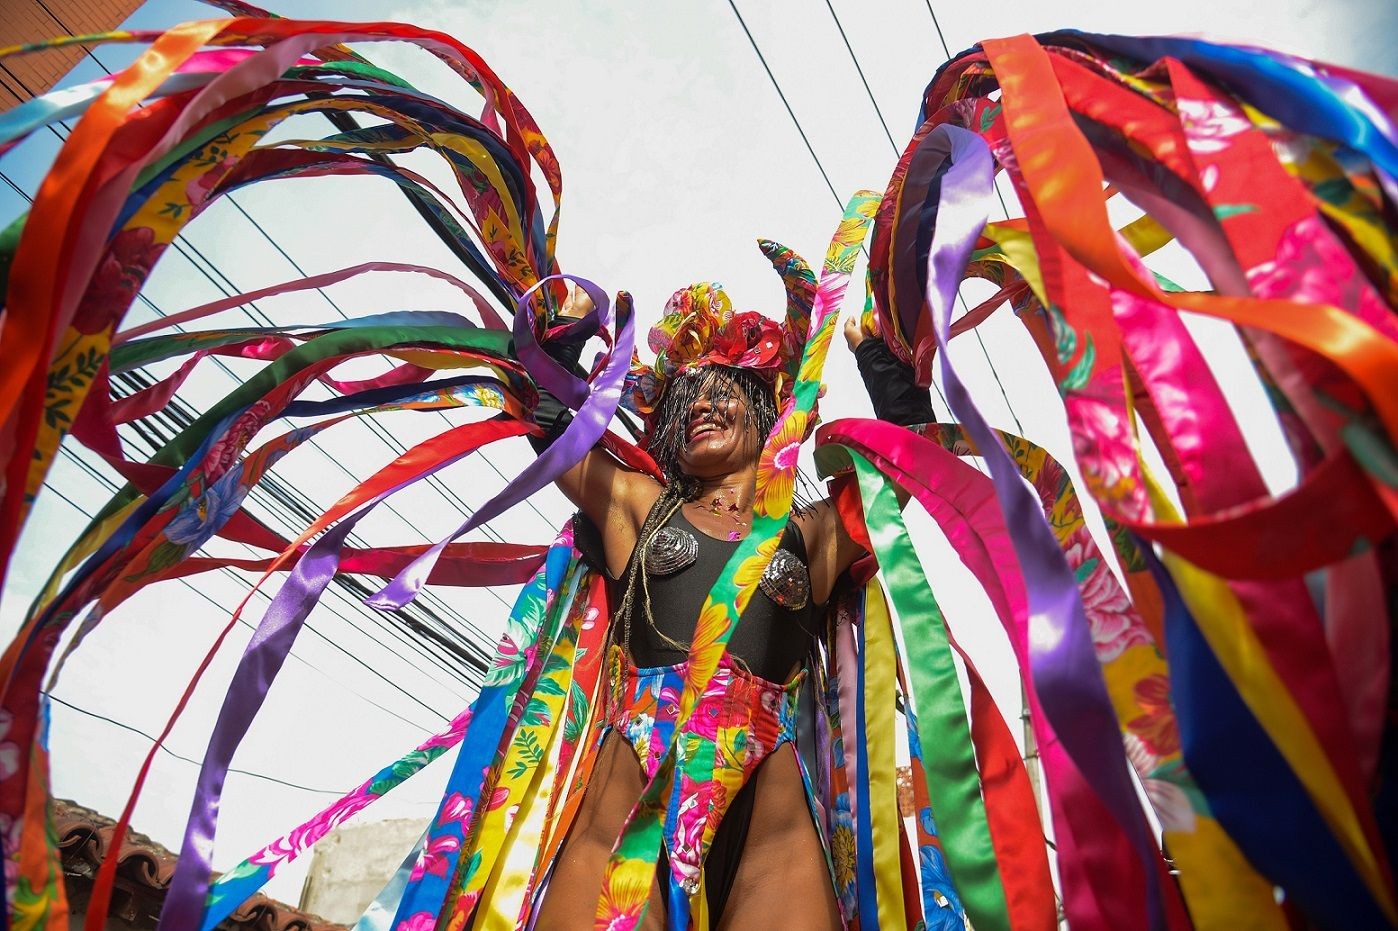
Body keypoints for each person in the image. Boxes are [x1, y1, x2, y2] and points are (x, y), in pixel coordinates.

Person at [524, 268, 936, 929]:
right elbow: (549, 427)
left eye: (723, 393)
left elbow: (908, 468)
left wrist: (891, 380)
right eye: (686, 399)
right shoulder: (638, 505)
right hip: (625, 807)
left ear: (769, 414)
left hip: (769, 827)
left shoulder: (812, 536)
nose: (702, 406)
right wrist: (562, 336)